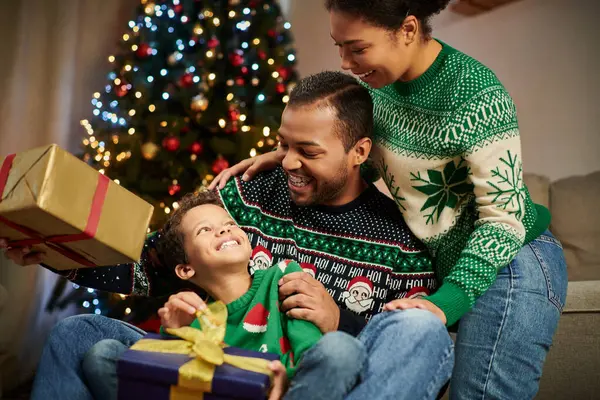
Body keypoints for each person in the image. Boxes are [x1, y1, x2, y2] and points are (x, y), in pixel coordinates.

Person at [0, 72, 447, 399]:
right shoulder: (244, 194)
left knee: (386, 341)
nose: (288, 162)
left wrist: (339, 322)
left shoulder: (401, 244)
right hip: (210, 363)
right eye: (283, 145)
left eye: (307, 151)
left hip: (305, 380)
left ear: (359, 153)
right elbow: (153, 265)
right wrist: (56, 249)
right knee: (76, 334)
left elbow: (399, 352)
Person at [209, 1, 569, 398]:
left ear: (409, 30)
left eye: (358, 48)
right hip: (451, 258)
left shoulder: (475, 94)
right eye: (339, 47)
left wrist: (444, 304)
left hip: (512, 258)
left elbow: (503, 219)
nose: (346, 62)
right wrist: (289, 156)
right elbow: (353, 155)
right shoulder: (374, 87)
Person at [83, 190, 453, 400]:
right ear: (185, 270)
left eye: (229, 224)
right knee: (102, 353)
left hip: (281, 393)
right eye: (206, 231)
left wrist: (286, 383)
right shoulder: (193, 310)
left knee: (342, 349)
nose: (224, 231)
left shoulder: (283, 278)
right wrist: (175, 331)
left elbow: (313, 352)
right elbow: (173, 378)